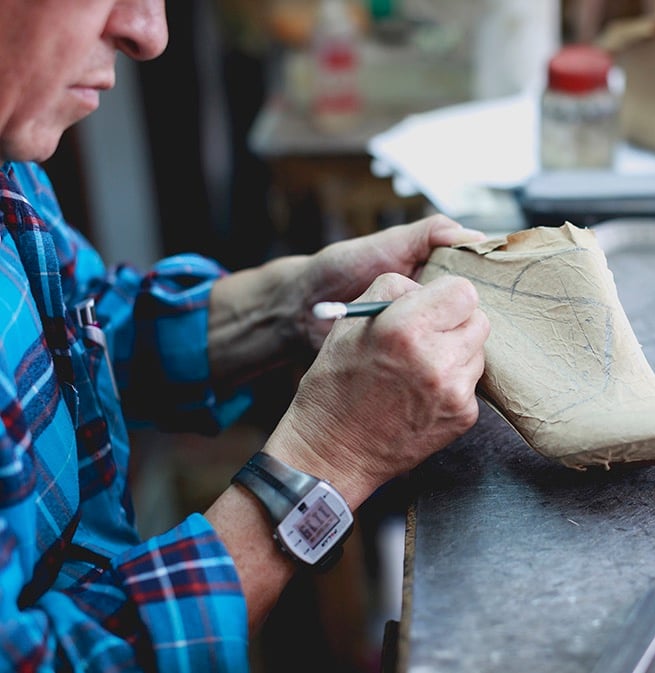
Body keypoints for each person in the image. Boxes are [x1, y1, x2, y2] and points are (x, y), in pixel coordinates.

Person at [0, 1, 490, 670]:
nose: (149, 33)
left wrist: (293, 302)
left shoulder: (9, 165)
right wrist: (327, 460)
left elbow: (80, 335)